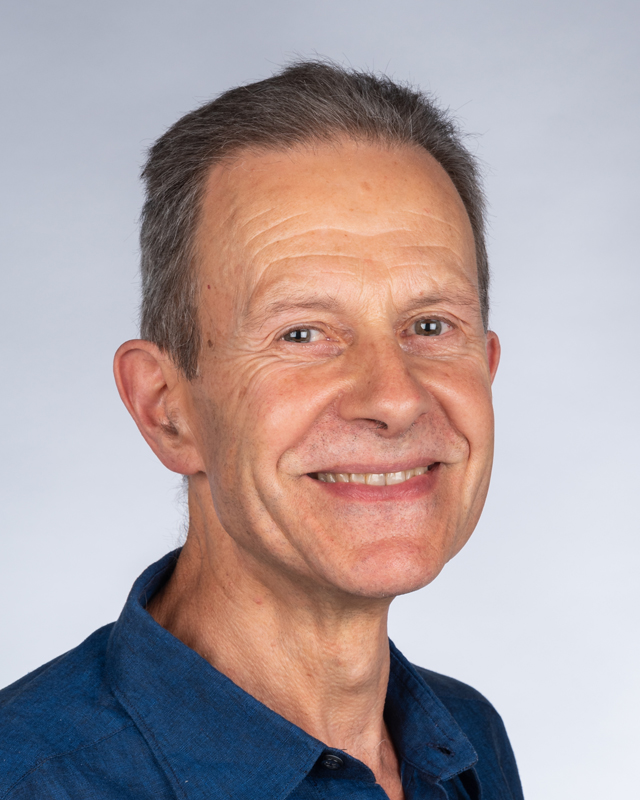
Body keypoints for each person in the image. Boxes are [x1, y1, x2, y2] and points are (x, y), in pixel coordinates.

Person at [0, 61, 523, 799]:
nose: (396, 399)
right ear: (166, 408)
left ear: (487, 367)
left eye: (431, 326)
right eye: (302, 334)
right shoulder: (29, 779)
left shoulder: (468, 741)